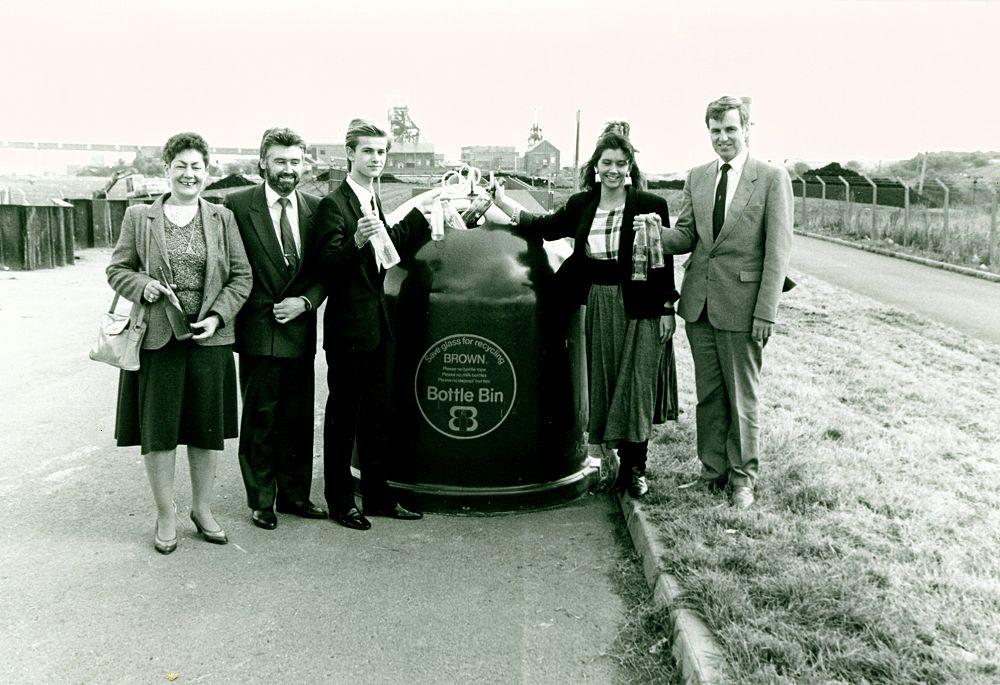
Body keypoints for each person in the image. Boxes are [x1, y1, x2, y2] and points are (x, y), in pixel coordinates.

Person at [491, 122, 679, 498]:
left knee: (636, 386)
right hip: (598, 302)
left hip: (639, 305)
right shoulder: (581, 204)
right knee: (608, 386)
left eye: (621, 163)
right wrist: (501, 202)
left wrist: (666, 308)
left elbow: (661, 263)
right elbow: (543, 226)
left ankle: (635, 470)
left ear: (630, 168)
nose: (613, 170)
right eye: (607, 162)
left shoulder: (649, 205)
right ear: (596, 166)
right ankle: (617, 470)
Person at [108, 132, 252, 553]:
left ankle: (203, 509)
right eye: (181, 166)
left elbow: (241, 277)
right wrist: (143, 285)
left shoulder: (222, 218)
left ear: (207, 173)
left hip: (209, 338)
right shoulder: (139, 217)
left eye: (197, 167)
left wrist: (216, 315)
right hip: (157, 338)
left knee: (207, 431)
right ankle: (166, 514)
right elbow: (118, 269)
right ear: (166, 169)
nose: (189, 174)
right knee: (160, 432)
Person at [649, 96, 793, 509]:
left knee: (741, 396)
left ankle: (743, 479)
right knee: (710, 395)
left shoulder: (770, 178)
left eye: (731, 129)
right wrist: (652, 230)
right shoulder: (697, 177)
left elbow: (777, 252)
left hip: (744, 308)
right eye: (715, 131)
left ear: (747, 129)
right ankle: (712, 472)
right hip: (699, 306)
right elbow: (685, 238)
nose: (723, 137)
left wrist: (767, 311)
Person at [313, 119, 438, 530]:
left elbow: (388, 251)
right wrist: (354, 241)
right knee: (344, 417)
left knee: (377, 416)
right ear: (350, 153)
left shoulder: (371, 198)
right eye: (368, 151)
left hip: (375, 326)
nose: (376, 159)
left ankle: (380, 497)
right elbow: (327, 266)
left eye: (381, 152)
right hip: (349, 330)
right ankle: (341, 503)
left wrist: (428, 214)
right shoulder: (336, 204)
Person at [224, 128, 327, 531]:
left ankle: (296, 496)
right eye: (280, 161)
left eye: (295, 162)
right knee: (260, 421)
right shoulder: (236, 206)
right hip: (258, 331)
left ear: (304, 165)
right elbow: (228, 267)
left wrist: (306, 302)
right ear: (263, 162)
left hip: (299, 328)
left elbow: (324, 269)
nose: (288, 169)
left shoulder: (316, 209)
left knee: (299, 419)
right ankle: (261, 500)